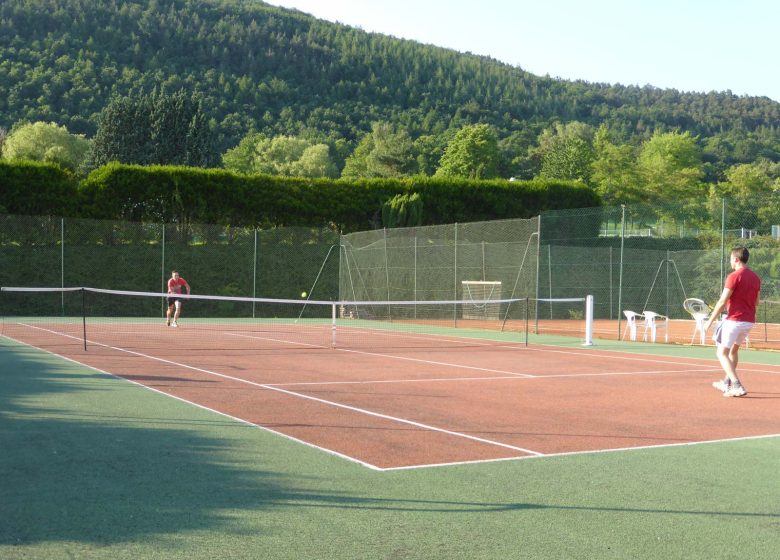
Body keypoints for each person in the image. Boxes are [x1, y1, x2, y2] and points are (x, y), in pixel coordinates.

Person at [703, 247, 761, 397]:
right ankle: (726, 382)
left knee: (721, 353)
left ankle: (737, 385)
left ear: (736, 259)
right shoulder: (756, 278)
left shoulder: (733, 276)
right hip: (748, 322)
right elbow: (757, 302)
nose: (730, 262)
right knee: (733, 351)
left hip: (735, 321)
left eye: (730, 259)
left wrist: (709, 322)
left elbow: (722, 301)